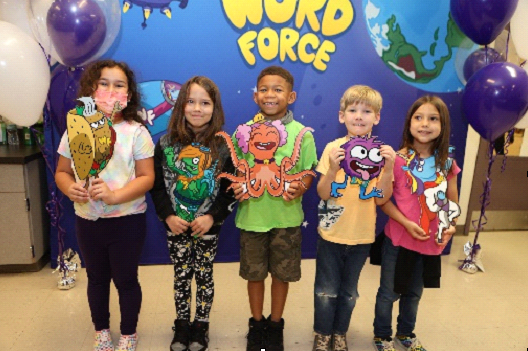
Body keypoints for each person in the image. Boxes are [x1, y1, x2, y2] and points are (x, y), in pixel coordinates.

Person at [55, 59, 155, 351]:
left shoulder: (136, 132)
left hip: (128, 220)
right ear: (91, 89)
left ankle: (128, 332)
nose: (111, 90)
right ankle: (101, 330)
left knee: (126, 279)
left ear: (129, 94)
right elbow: (62, 171)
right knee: (96, 279)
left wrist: (114, 195)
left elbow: (147, 177)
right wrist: (69, 188)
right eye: (104, 83)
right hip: (88, 221)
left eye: (119, 85)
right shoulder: (76, 129)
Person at [230, 66, 318, 351]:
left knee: (282, 274)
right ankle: (257, 324)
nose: (271, 95)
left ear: (291, 96)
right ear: (256, 96)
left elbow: (308, 171)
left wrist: (301, 186)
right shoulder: (243, 132)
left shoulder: (302, 135)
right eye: (265, 89)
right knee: (254, 274)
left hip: (287, 219)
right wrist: (238, 185)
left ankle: (276, 324)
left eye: (278, 89)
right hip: (252, 219)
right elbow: (237, 169)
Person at [149, 76, 236, 351]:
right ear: (180, 105)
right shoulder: (165, 143)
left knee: (205, 274)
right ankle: (182, 324)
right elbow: (157, 186)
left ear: (215, 108)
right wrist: (167, 216)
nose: (197, 108)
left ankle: (201, 324)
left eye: (205, 103)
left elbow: (229, 189)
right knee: (182, 274)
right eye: (191, 101)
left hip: (208, 226)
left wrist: (212, 216)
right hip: (175, 226)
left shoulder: (224, 144)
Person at [372, 96, 461, 351]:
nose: (425, 124)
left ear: (442, 125)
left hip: (430, 243)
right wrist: (405, 223)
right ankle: (382, 335)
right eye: (419, 117)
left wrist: (450, 226)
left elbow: (452, 203)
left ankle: (406, 333)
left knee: (414, 293)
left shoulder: (447, 163)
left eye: (433, 118)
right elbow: (383, 201)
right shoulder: (396, 160)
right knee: (389, 292)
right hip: (398, 240)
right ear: (409, 123)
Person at [313, 85, 395, 351]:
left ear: (377, 117)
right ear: (341, 116)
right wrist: (333, 169)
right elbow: (323, 193)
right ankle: (323, 334)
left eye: (366, 111)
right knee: (326, 291)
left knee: (349, 293)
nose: (359, 116)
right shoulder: (333, 149)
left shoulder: (383, 154)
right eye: (353, 110)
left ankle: (339, 334)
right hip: (331, 233)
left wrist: (389, 168)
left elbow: (382, 199)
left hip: (361, 236)